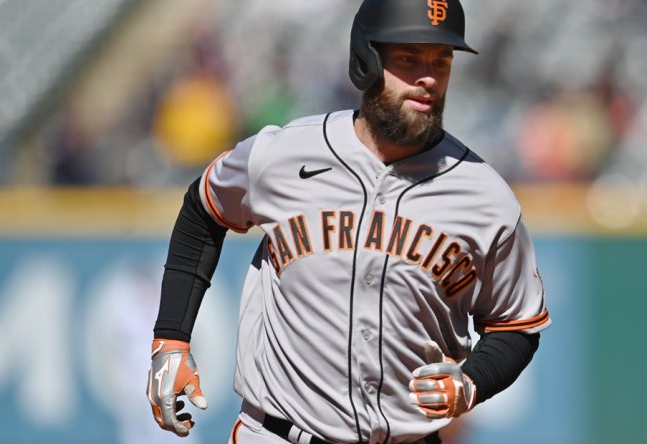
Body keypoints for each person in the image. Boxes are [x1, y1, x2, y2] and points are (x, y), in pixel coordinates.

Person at [146, 1, 551, 443]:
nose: (428, 78)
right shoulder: (282, 156)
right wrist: (171, 339)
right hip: (278, 433)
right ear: (365, 61)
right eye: (408, 59)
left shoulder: (485, 197)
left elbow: (517, 325)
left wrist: (473, 381)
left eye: (441, 61)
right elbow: (202, 210)